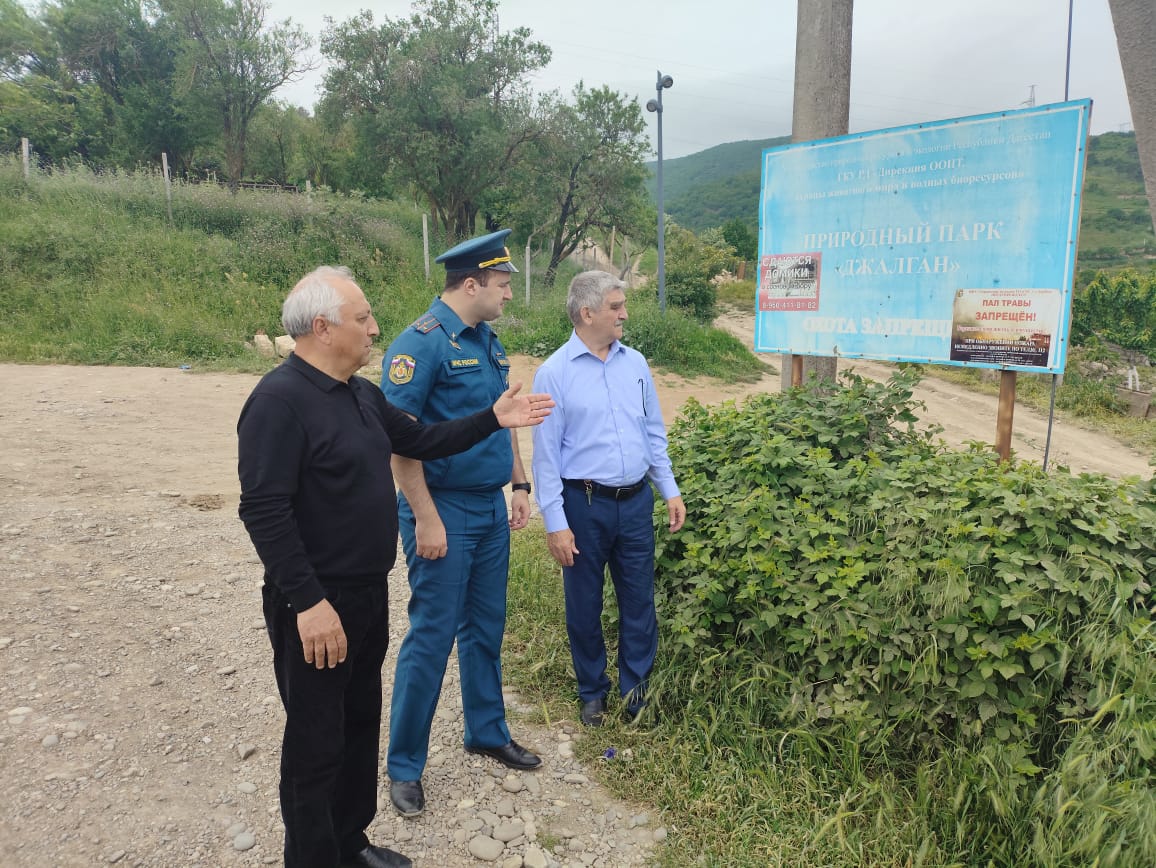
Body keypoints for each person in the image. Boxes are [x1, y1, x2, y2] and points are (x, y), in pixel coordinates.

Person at [237, 265, 553, 868]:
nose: (375, 328)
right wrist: (307, 602)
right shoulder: (279, 401)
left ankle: (351, 841)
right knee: (315, 742)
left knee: (358, 726)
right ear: (323, 328)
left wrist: (494, 418)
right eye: (363, 319)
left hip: (362, 593)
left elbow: (421, 440)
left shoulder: (360, 395)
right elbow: (264, 510)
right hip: (316, 603)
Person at [382, 229, 540, 819]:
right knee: (432, 636)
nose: (507, 296)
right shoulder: (420, 345)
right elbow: (400, 442)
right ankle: (404, 767)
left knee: (486, 627)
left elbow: (507, 415)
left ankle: (486, 730)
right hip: (440, 507)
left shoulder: (488, 340)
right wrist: (424, 516)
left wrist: (518, 483)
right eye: (501, 286)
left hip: (489, 506)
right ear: (469, 284)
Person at [530, 270, 686, 727]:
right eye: (616, 306)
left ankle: (636, 692)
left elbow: (653, 432)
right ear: (587, 313)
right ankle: (592, 691)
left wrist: (669, 490)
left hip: (636, 502)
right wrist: (556, 522)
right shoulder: (553, 373)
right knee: (585, 604)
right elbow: (545, 458)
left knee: (639, 600)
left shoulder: (635, 363)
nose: (624, 313)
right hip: (585, 505)